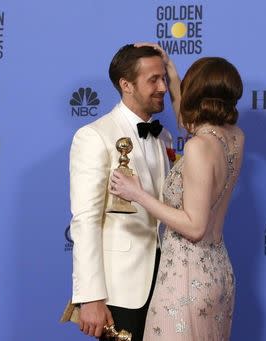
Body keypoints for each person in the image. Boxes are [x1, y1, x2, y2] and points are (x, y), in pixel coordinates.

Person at [110, 45, 244, 340]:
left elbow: (195, 227)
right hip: (218, 273)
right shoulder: (234, 137)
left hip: (185, 277)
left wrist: (139, 195)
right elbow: (189, 122)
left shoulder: (198, 147)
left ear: (197, 90)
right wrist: (169, 68)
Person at [69, 44, 173, 341]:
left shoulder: (163, 135)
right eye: (153, 80)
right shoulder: (94, 136)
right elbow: (85, 220)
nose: (163, 87)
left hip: (166, 283)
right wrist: (90, 297)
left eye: (164, 78)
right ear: (126, 85)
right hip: (120, 290)